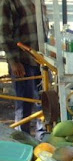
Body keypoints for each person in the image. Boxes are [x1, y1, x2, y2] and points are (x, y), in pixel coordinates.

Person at [0, 0, 46, 138]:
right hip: (22, 60)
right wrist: (13, 61)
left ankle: (42, 137)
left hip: (42, 59)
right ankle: (21, 140)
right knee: (24, 104)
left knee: (44, 102)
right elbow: (4, 34)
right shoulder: (8, 2)